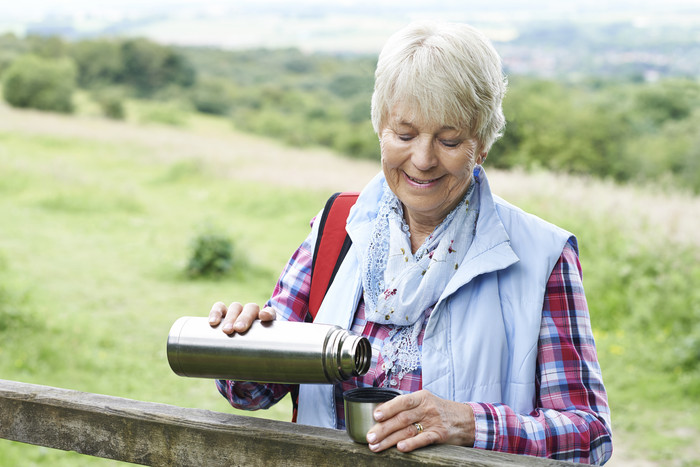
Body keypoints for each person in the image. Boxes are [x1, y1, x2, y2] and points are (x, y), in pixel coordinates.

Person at [208, 21, 613, 464]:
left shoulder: (542, 255)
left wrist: (468, 424)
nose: (422, 160)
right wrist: (239, 343)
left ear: (481, 144)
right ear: (380, 128)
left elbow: (588, 435)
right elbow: (254, 393)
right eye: (404, 135)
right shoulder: (336, 226)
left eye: (449, 139)